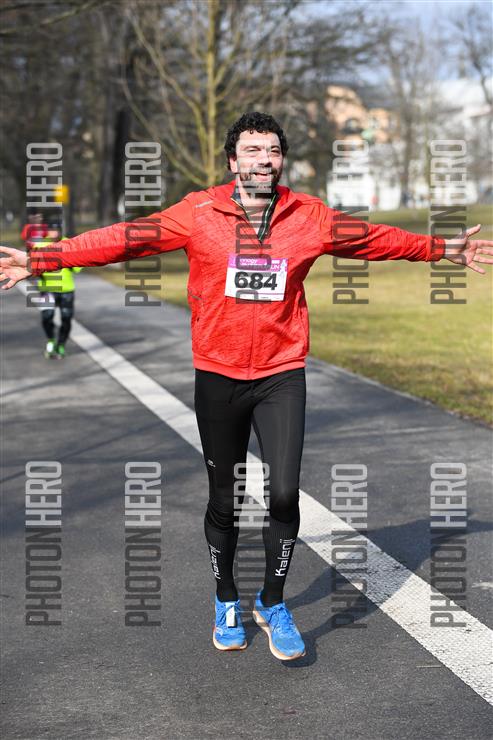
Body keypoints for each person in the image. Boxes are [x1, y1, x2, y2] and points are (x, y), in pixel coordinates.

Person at [1, 112, 493, 660]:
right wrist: (43, 259)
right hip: (218, 374)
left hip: (281, 373)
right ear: (233, 160)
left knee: (283, 494)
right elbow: (125, 239)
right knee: (225, 499)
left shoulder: (308, 216)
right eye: (253, 150)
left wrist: (442, 249)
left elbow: (374, 239)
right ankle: (225, 597)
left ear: (281, 161)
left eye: (273, 150)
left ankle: (273, 602)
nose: (264, 159)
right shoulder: (198, 213)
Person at [32, 226, 83, 359]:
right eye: (51, 230)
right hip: (47, 289)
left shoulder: (69, 244)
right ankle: (51, 340)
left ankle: (61, 344)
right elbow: (33, 267)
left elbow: (78, 267)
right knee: (47, 317)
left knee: (66, 318)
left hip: (66, 289)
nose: (54, 233)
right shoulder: (40, 246)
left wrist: (69, 259)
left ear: (61, 231)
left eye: (56, 230)